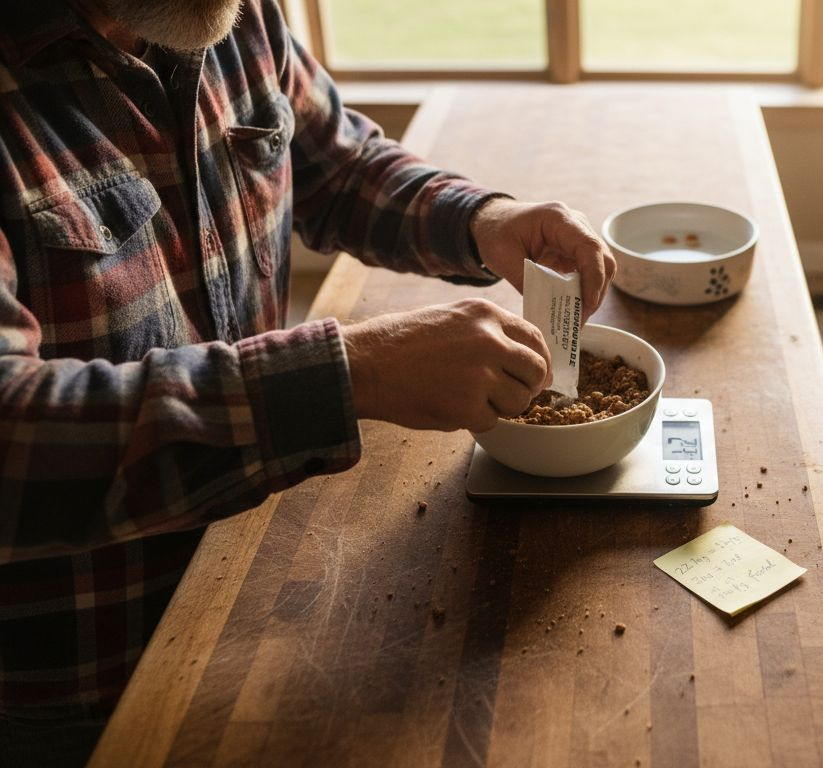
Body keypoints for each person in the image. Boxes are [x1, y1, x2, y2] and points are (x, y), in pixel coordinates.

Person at [0, 0, 616, 763]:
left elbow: (335, 167)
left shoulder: (228, 13)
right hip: (91, 684)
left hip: (250, 575)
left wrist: (480, 220)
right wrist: (350, 372)